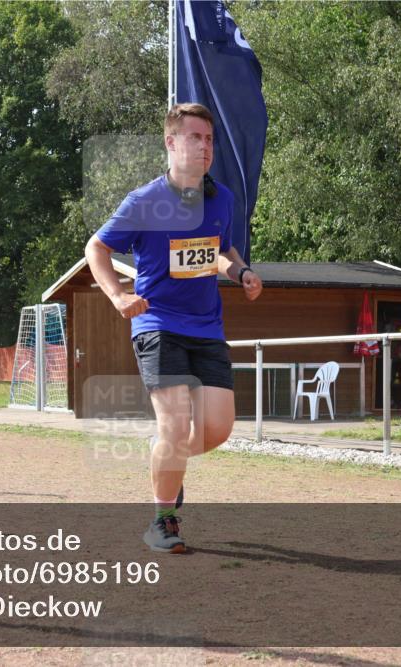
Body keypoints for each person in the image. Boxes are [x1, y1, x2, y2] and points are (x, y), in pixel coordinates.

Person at [84, 103, 263, 554]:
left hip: (206, 327)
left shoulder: (220, 198)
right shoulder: (145, 201)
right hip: (156, 323)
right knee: (175, 422)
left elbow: (221, 250)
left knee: (217, 429)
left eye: (209, 139)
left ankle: (168, 461)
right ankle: (163, 520)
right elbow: (96, 248)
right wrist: (119, 297)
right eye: (195, 137)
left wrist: (240, 273)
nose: (205, 147)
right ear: (171, 142)